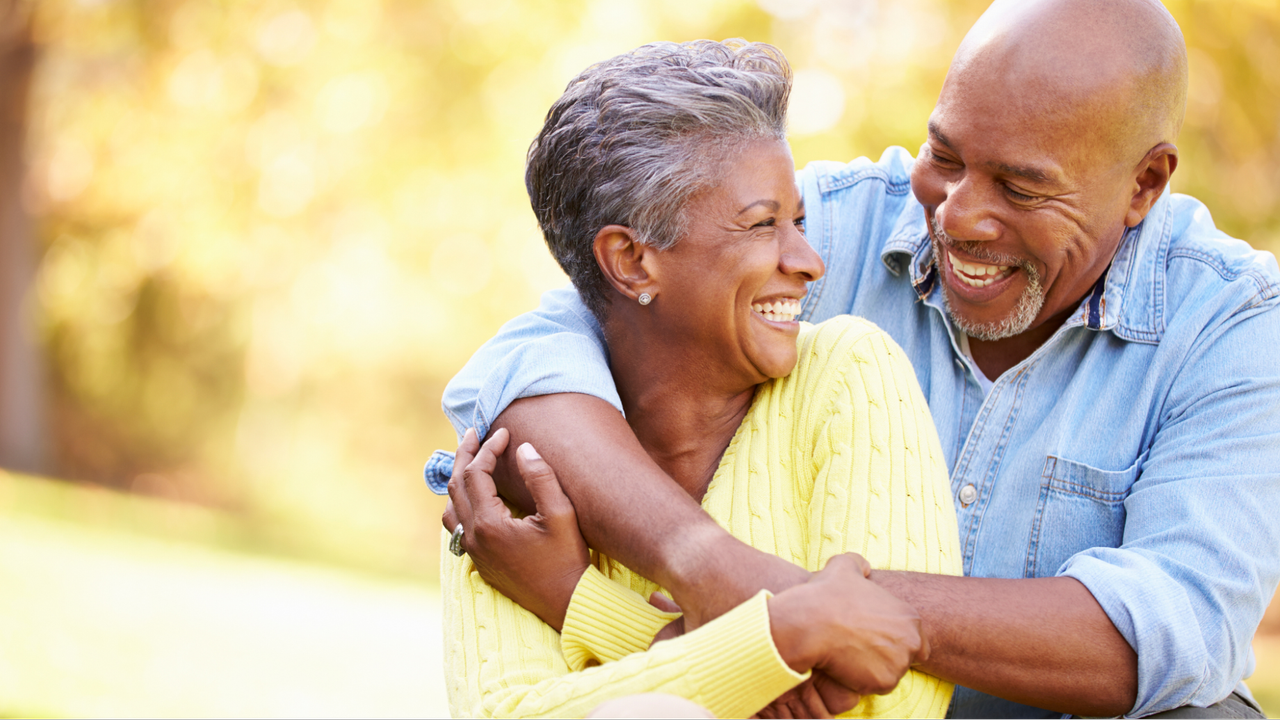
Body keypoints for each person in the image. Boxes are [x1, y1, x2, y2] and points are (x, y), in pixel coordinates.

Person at [429, 0, 1280, 717]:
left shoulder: (1235, 324)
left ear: (1145, 184)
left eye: (1021, 187)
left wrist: (805, 614)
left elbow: (1177, 623)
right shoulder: (827, 227)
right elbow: (537, 357)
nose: (961, 217)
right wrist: (710, 568)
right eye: (944, 156)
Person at [432, 39, 962, 719]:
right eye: (762, 224)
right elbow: (509, 712)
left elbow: (891, 702)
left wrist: (583, 605)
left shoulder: (850, 374)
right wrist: (779, 640)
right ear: (631, 261)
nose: (808, 261)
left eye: (797, 221)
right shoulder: (513, 473)